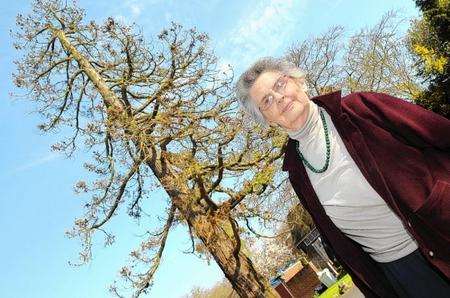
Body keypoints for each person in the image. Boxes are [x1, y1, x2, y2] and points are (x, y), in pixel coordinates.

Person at [235, 57, 450, 298]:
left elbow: (441, 133)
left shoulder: (360, 108)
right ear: (267, 119)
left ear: (299, 81)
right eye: (267, 101)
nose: (279, 97)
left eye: (280, 85)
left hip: (441, 231)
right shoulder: (296, 172)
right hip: (402, 275)